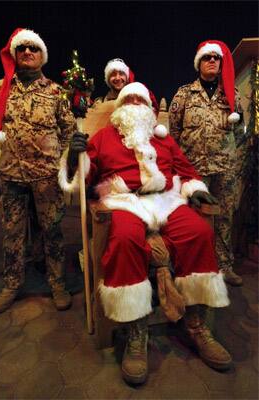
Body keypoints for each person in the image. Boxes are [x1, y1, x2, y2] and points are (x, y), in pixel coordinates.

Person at [59, 82, 232, 385]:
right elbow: (85, 180)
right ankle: (135, 331)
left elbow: (185, 169)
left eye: (141, 99)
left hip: (165, 199)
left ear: (150, 109)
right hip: (124, 201)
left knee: (199, 232)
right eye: (129, 99)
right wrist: (75, 159)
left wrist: (195, 189)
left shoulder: (163, 140)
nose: (135, 103)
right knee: (125, 239)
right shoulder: (104, 137)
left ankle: (195, 324)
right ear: (120, 107)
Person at [0, 28, 77, 314]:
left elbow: (69, 130)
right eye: (22, 49)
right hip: (10, 174)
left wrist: (67, 161)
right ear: (15, 54)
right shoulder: (1, 88)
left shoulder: (56, 91)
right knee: (13, 233)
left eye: (34, 48)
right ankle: (12, 284)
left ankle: (57, 283)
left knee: (52, 231)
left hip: (46, 175)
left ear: (42, 56)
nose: (28, 53)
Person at [169, 40, 244, 287]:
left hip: (225, 170)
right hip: (194, 172)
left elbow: (241, 134)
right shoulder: (183, 95)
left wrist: (232, 159)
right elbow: (175, 132)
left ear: (221, 63)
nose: (212, 60)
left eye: (216, 57)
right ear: (198, 63)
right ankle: (193, 267)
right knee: (193, 219)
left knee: (224, 218)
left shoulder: (231, 95)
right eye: (207, 57)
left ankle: (224, 266)